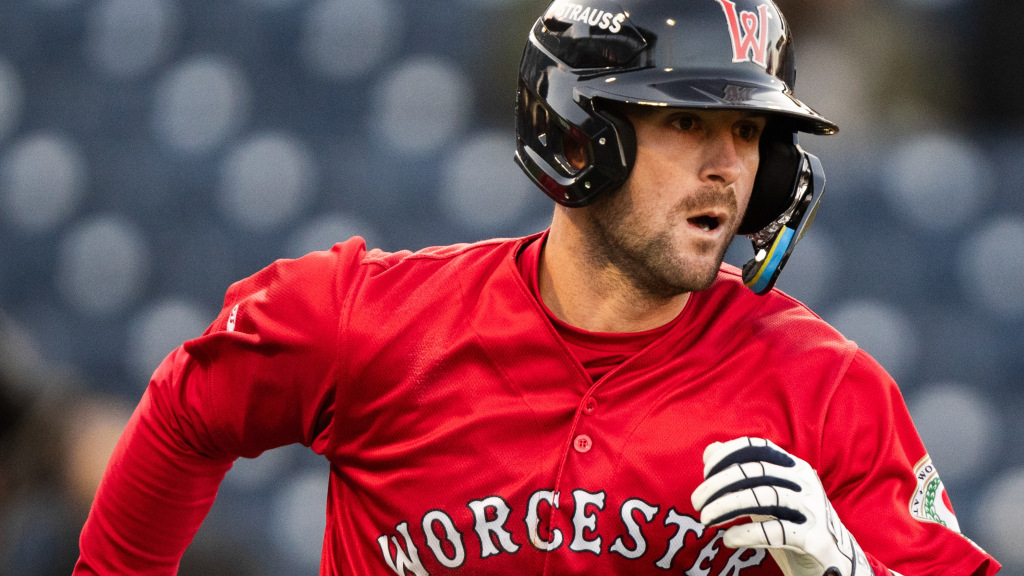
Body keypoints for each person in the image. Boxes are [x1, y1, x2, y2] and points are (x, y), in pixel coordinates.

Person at [75, 0, 1000, 574]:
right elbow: (187, 412)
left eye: (751, 134)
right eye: (687, 122)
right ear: (580, 133)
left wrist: (854, 574)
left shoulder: (827, 391)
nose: (729, 167)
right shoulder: (367, 321)